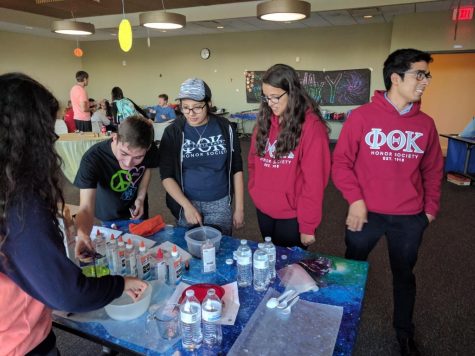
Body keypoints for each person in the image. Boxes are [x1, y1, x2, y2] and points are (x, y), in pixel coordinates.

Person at [0, 73, 148, 356]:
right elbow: (67, 293)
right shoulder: (21, 201)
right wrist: (119, 284)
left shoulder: (9, 192)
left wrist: (68, 232)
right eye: (47, 128)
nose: (54, 137)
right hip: (20, 342)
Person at [332, 48, 443, 356]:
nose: (424, 81)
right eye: (419, 75)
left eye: (427, 75)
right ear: (396, 78)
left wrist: (429, 211)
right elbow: (341, 162)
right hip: (365, 214)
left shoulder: (426, 124)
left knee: (404, 275)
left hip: (409, 218)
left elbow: (433, 170)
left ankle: (404, 334)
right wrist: (355, 200)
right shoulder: (362, 117)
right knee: (351, 269)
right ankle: (340, 321)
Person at [247, 64, 331, 249]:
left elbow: (315, 181)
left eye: (276, 97)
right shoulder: (263, 121)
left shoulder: (311, 127)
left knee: (290, 271)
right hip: (264, 209)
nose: (270, 102)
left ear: (292, 93)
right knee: (272, 260)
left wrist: (308, 225)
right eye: (266, 97)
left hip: (293, 215)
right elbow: (253, 162)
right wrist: (256, 190)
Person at [159, 78, 244, 236]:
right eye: (185, 108)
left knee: (219, 249)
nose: (191, 114)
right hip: (187, 202)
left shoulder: (226, 128)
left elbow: (237, 168)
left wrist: (239, 208)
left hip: (220, 203)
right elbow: (166, 175)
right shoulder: (173, 132)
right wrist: (186, 206)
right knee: (190, 252)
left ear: (209, 104)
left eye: (197, 107)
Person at [74, 115, 159, 256]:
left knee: (140, 252)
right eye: (124, 153)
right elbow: (85, 207)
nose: (128, 163)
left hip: (136, 210)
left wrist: (141, 197)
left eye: (138, 157)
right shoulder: (93, 159)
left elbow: (147, 169)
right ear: (114, 138)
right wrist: (82, 233)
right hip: (108, 213)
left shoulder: (150, 151)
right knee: (116, 253)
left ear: (148, 148)